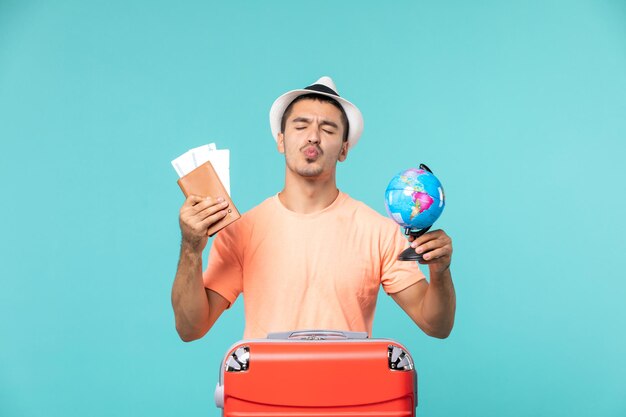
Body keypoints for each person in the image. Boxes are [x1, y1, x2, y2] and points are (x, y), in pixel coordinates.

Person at [171, 77, 456, 341]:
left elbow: (437, 325)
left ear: (344, 149)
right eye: (300, 125)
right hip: (265, 392)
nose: (313, 136)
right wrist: (191, 249)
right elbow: (190, 327)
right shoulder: (241, 232)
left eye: (328, 128)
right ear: (281, 140)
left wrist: (440, 271)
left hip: (349, 393)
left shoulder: (379, 232)